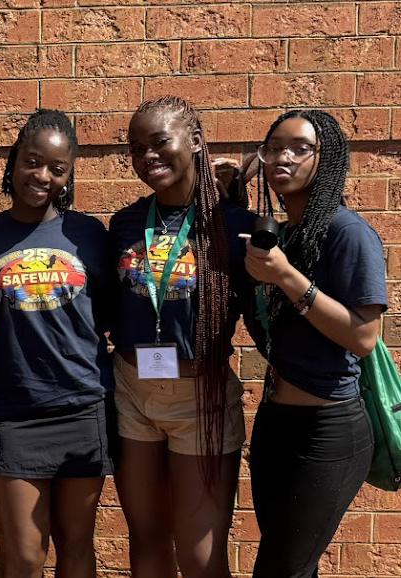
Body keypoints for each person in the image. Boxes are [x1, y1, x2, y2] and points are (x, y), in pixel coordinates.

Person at [0, 109, 115, 578]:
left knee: (76, 547)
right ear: (13, 162)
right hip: (17, 410)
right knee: (26, 557)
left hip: (82, 405)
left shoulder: (88, 234)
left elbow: (106, 315)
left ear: (68, 177)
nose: (42, 176)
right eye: (32, 161)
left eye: (57, 168)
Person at [109, 96, 256, 578]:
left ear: (195, 140)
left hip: (201, 397)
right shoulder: (125, 223)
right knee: (146, 540)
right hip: (133, 388)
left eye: (159, 142)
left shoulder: (234, 227)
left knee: (199, 556)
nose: (147, 156)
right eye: (136, 148)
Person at [244, 110, 385, 578]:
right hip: (275, 424)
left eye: (300, 148)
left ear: (325, 161)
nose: (283, 156)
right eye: (274, 147)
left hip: (327, 430)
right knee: (293, 565)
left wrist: (287, 277)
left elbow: (364, 337)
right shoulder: (284, 234)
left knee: (281, 570)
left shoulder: (349, 233)